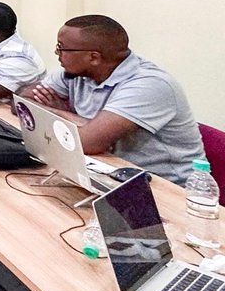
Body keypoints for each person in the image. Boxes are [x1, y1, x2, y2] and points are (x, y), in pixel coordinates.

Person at [26, 14, 204, 185]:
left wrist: (61, 115)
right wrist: (77, 120)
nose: (57, 53)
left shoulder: (150, 84)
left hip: (166, 189)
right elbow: (22, 100)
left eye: (61, 48)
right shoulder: (77, 73)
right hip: (105, 171)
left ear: (93, 57)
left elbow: (86, 143)